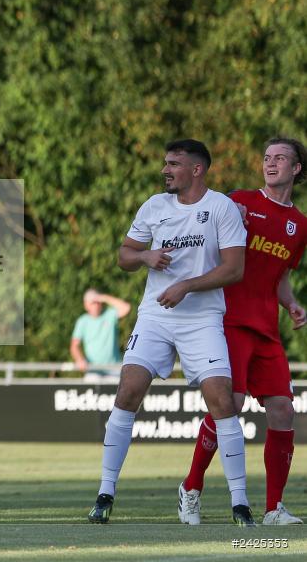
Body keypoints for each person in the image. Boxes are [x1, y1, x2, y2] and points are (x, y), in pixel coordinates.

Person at [87, 139, 256, 526]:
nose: (165, 170)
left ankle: (240, 503)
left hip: (202, 319)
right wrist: (145, 255)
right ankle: (105, 493)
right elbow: (124, 255)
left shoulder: (221, 208)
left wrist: (186, 285)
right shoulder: (154, 206)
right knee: (128, 390)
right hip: (155, 316)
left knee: (222, 400)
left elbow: (234, 269)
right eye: (165, 162)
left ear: (197, 170)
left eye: (173, 164)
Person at [179, 137, 307, 525]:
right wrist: (225, 217)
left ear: (296, 169)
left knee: (283, 410)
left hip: (267, 329)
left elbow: (280, 277)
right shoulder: (239, 202)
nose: (271, 164)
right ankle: (191, 487)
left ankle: (273, 509)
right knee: (229, 406)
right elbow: (206, 239)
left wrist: (292, 304)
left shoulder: (299, 225)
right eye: (267, 158)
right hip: (230, 320)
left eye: (280, 159)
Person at [70, 289, 131, 380]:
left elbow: (126, 308)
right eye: (92, 303)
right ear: (86, 305)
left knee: (119, 393)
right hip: (93, 370)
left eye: (98, 302)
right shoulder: (82, 321)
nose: (96, 305)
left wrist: (104, 298)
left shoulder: (109, 314)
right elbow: (74, 345)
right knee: (89, 391)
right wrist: (80, 359)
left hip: (114, 369)